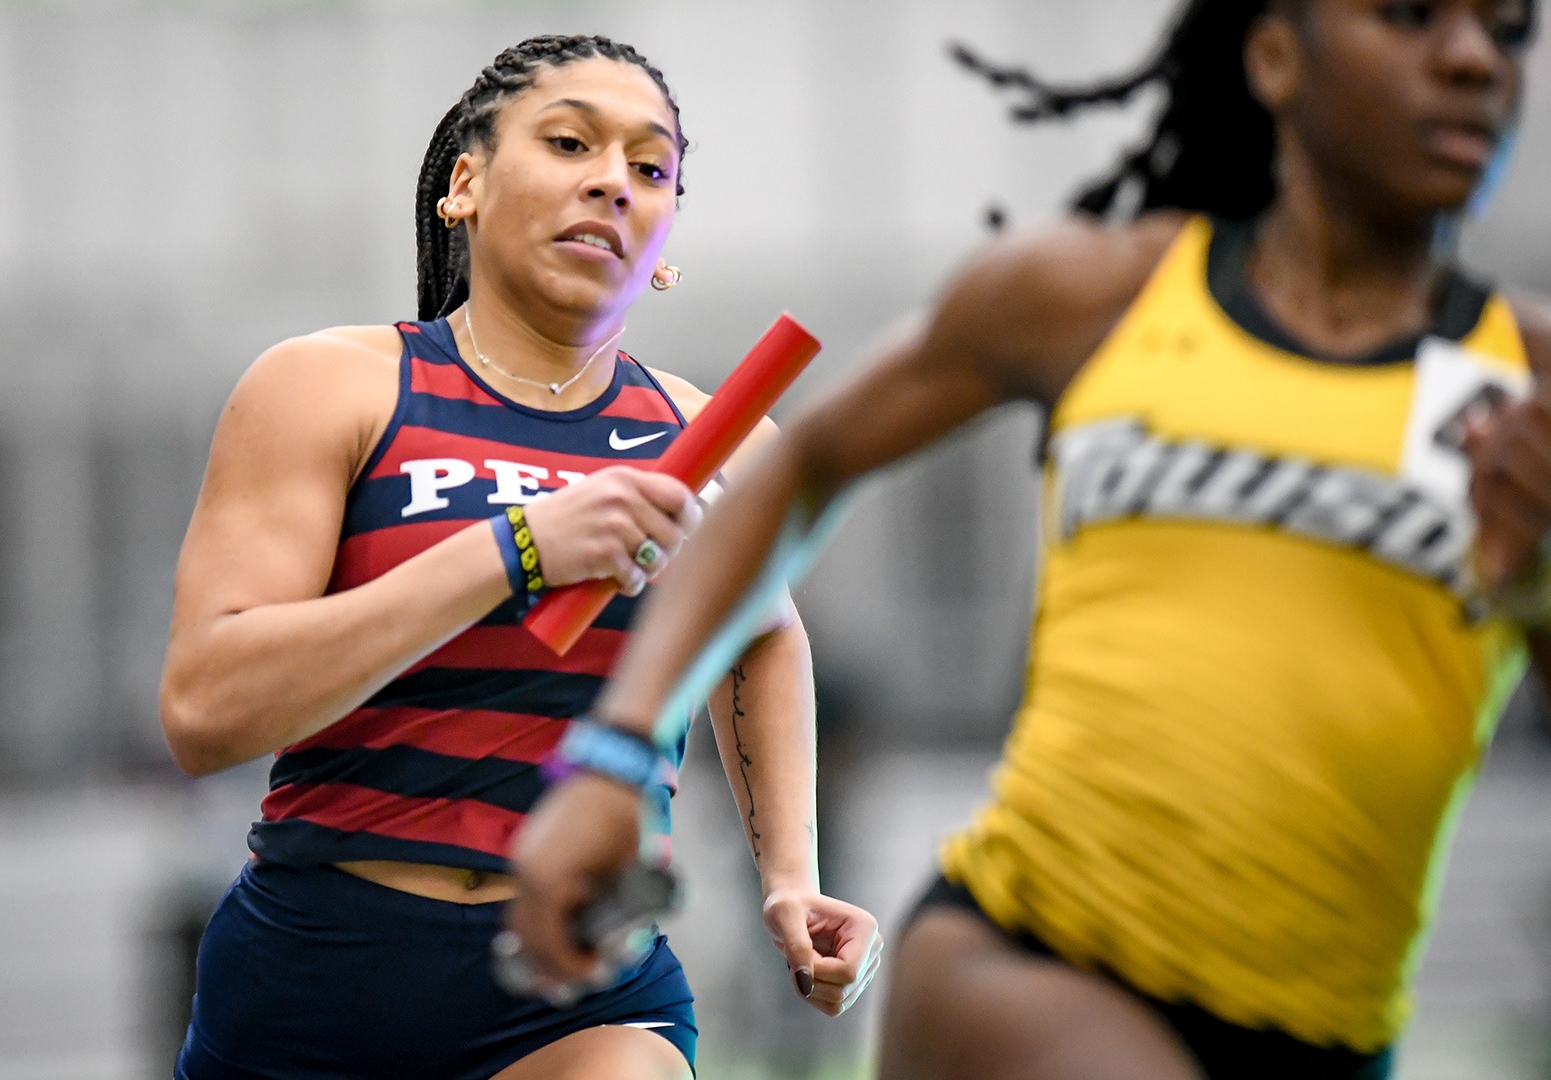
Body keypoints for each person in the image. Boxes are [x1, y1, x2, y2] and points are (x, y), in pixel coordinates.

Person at [507, 1, 1549, 1077]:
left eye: (1510, 32)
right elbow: (801, 469)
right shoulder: (1098, 297)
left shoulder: (1530, 385)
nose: (1473, 60)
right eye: (1413, 17)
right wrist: (618, 749)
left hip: (1334, 1030)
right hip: (1031, 967)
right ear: (1276, 55)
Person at [159, 34, 878, 1080]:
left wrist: (790, 876)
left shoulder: (710, 439)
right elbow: (203, 712)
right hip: (315, 976)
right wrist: (517, 549)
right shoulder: (333, 387)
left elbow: (762, 637)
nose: (610, 182)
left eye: (649, 167)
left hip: (586, 989)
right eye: (570, 142)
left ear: (667, 237)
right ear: (466, 184)